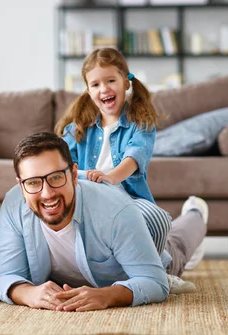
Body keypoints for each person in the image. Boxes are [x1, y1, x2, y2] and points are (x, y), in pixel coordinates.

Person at [0, 132, 208, 312]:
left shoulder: (115, 211)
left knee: (177, 247)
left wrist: (108, 295)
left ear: (74, 174)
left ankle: (195, 212)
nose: (47, 193)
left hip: (142, 239)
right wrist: (28, 293)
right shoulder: (14, 204)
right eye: (33, 182)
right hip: (120, 224)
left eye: (56, 177)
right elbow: (4, 275)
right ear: (21, 186)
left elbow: (155, 282)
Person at [55, 47, 174, 260]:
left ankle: (157, 265)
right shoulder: (78, 127)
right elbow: (61, 162)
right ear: (88, 91)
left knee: (156, 219)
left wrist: (111, 177)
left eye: (111, 81)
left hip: (128, 198)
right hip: (87, 199)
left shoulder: (140, 122)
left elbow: (135, 156)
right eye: (96, 84)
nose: (104, 89)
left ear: (125, 83)